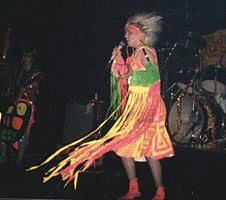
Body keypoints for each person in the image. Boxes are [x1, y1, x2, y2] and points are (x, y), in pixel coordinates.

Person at [28, 12, 174, 200]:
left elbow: (153, 77)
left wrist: (130, 75)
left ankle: (159, 191)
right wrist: (119, 61)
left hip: (147, 107)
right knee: (124, 148)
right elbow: (125, 77)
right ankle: (134, 188)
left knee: (150, 152)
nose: (126, 37)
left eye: (129, 33)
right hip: (135, 107)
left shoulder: (145, 51)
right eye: (126, 33)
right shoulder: (134, 54)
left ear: (141, 35)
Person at [0, 46, 43, 166]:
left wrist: (27, 90)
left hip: (26, 107)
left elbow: (35, 91)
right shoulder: (18, 71)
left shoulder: (36, 74)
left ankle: (19, 161)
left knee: (23, 132)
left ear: (32, 58)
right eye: (24, 56)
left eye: (27, 56)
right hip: (13, 105)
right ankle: (2, 158)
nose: (24, 58)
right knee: (5, 129)